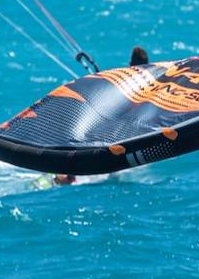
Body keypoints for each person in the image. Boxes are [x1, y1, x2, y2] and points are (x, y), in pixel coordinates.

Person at [48, 45, 148, 187]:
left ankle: (65, 174)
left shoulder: (125, 78)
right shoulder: (147, 81)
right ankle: (65, 175)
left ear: (130, 64)